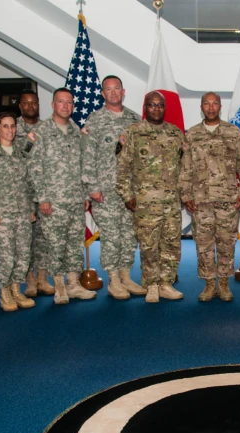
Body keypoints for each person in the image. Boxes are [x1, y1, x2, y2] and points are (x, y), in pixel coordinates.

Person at [178, 92, 240, 302]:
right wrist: (185, 195)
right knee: (203, 244)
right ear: (201, 107)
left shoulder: (233, 132)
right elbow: (184, 168)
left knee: (226, 243)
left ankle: (224, 283)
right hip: (200, 202)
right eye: (206, 104)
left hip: (228, 201)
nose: (211, 107)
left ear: (220, 107)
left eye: (215, 104)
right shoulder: (192, 135)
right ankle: (209, 284)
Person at [27, 87, 95, 304]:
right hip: (53, 202)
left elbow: (82, 165)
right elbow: (34, 167)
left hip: (75, 199)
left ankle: (73, 285)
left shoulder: (77, 132)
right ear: (53, 105)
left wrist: (85, 193)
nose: (66, 106)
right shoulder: (42, 132)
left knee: (74, 243)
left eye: (69, 102)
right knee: (55, 245)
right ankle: (59, 288)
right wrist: (43, 198)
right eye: (61, 102)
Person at [116, 91, 185, 303]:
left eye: (160, 105)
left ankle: (166, 283)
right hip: (145, 203)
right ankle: (152, 285)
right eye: (152, 105)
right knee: (148, 246)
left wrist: (183, 194)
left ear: (165, 108)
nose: (156, 109)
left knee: (171, 244)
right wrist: (127, 195)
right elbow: (122, 167)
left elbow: (184, 167)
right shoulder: (134, 132)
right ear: (145, 108)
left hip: (171, 202)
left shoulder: (175, 134)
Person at [82, 75, 146, 300]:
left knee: (129, 235)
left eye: (116, 88)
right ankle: (114, 281)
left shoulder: (134, 119)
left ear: (123, 91)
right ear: (102, 94)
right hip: (106, 190)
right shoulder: (95, 120)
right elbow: (87, 156)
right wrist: (92, 187)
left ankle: (126, 276)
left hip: (130, 191)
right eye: (108, 89)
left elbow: (142, 156)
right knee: (111, 236)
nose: (113, 93)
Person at [0, 112, 35, 311]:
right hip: (1, 216)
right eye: (5, 126)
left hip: (22, 214)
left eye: (12, 126)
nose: (10, 130)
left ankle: (17, 289)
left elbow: (28, 185)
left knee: (23, 254)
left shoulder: (21, 154)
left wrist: (31, 209)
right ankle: (4, 292)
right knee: (6, 256)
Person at [15, 90, 54, 297]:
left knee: (44, 236)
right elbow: (17, 155)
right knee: (25, 238)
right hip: (23, 192)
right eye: (26, 103)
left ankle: (42, 278)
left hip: (44, 189)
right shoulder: (12, 127)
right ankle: (29, 280)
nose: (30, 106)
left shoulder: (46, 128)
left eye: (34, 102)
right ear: (20, 106)